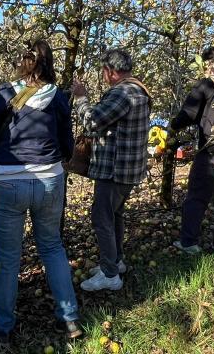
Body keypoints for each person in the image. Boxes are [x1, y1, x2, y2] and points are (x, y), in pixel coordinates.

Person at [0, 40, 81, 348]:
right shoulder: (59, 97)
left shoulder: (6, 93)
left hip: (7, 182)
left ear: (24, 63)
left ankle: (4, 328)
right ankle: (70, 319)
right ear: (49, 64)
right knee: (52, 247)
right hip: (49, 180)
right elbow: (68, 145)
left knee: (8, 258)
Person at [71, 49, 151, 291]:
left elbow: (93, 121)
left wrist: (81, 98)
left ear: (110, 71)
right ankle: (115, 262)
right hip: (128, 169)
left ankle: (109, 274)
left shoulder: (122, 93)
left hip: (115, 170)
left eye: (104, 71)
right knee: (115, 215)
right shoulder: (139, 89)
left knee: (101, 217)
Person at [169, 46, 214, 259]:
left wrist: (173, 127)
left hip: (210, 151)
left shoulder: (207, 84)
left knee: (197, 197)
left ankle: (188, 242)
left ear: (210, 64)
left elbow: (188, 113)